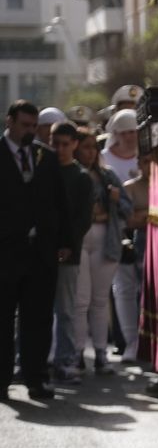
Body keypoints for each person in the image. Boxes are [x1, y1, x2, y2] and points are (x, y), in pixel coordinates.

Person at [2, 100, 70, 401]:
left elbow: (60, 202)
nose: (30, 131)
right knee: (3, 319)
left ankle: (36, 378)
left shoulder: (46, 157)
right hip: (5, 252)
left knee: (38, 319)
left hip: (40, 253)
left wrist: (65, 241)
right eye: (25, 125)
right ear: (10, 122)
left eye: (34, 126)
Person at [71, 125, 132, 377]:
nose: (90, 152)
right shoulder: (71, 174)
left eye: (93, 147)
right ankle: (76, 354)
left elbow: (128, 208)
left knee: (99, 300)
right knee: (80, 300)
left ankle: (100, 355)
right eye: (84, 147)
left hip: (106, 238)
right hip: (79, 239)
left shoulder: (108, 176)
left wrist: (117, 199)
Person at [100, 110, 147, 363]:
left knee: (144, 290)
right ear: (115, 134)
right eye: (125, 132)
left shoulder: (147, 155)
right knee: (123, 290)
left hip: (145, 233)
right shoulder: (104, 159)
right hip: (115, 232)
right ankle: (130, 342)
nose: (129, 136)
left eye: (133, 131)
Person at [49, 123, 94, 385]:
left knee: (65, 310)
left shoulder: (80, 177)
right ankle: (33, 359)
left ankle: (65, 360)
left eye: (65, 144)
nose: (60, 149)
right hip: (40, 252)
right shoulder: (45, 171)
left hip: (68, 254)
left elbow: (81, 220)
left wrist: (67, 245)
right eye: (56, 143)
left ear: (74, 144)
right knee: (35, 310)